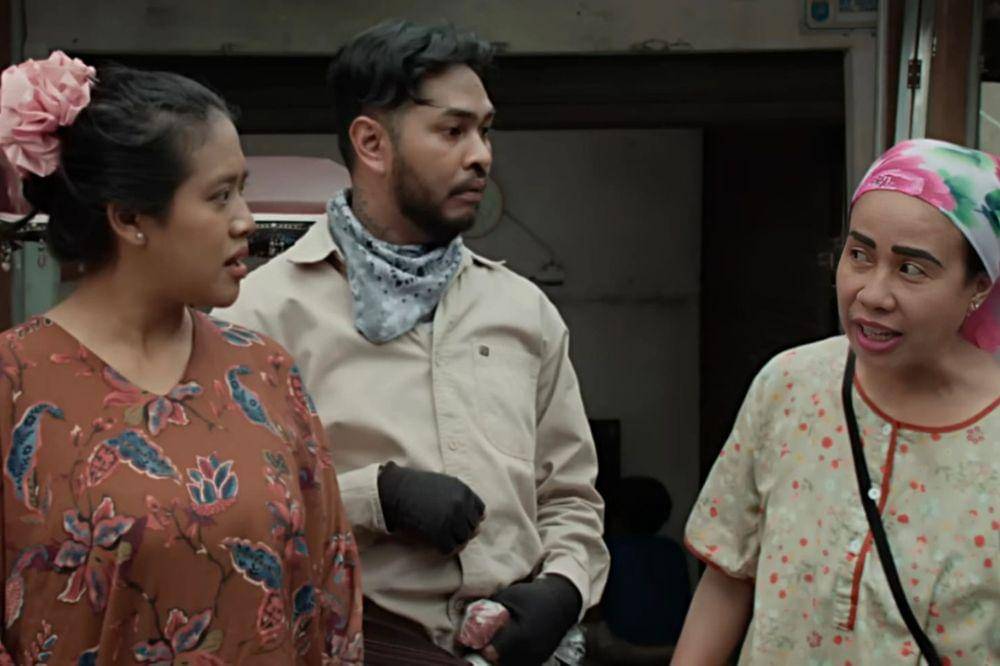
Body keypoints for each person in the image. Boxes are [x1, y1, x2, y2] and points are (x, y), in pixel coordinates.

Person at [215, 19, 609, 665]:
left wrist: (563, 590)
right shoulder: (261, 316)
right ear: (372, 142)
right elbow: (231, 512)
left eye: (485, 131)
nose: (481, 155)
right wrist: (378, 498)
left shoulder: (524, 310)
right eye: (453, 131)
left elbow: (570, 498)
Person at [0, 52, 362, 663]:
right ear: (129, 218)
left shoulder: (265, 373)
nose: (246, 221)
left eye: (243, 190)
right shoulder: (14, 385)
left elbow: (329, 590)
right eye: (220, 196)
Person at [673, 139, 999, 665]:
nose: (872, 294)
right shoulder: (790, 385)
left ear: (977, 287)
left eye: (911, 269)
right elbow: (729, 578)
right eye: (860, 255)